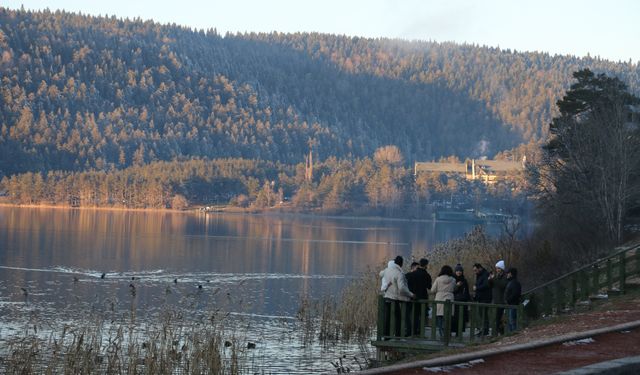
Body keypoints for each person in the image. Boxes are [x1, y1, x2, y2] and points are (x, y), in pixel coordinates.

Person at [381, 256, 415, 337]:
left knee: (387, 317)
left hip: (387, 297)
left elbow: (380, 274)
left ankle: (386, 335)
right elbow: (402, 288)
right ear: (401, 263)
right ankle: (397, 334)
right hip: (394, 298)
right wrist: (411, 294)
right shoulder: (399, 273)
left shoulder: (386, 270)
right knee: (398, 317)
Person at [406, 258, 432, 335]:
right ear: (426, 265)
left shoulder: (412, 274)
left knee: (415, 315)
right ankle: (420, 331)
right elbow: (429, 287)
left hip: (414, 297)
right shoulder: (426, 275)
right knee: (423, 314)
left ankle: (413, 331)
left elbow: (408, 282)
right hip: (423, 297)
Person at [430, 265, 455, 337]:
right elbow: (455, 288)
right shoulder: (453, 280)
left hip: (439, 300)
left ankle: (442, 334)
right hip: (449, 299)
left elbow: (432, 290)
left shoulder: (438, 279)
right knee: (447, 319)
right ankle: (447, 334)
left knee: (440, 318)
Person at [489, 260, 508, 334]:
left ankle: (500, 333)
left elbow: (503, 285)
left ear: (502, 269)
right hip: (496, 300)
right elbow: (491, 286)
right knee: (496, 318)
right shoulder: (496, 276)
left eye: (499, 268)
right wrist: (490, 280)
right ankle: (498, 332)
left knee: (500, 318)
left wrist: (494, 279)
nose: (497, 270)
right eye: (496, 268)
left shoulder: (505, 276)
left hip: (502, 300)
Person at [472, 263, 491, 335]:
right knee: (481, 314)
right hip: (480, 298)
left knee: (484, 314)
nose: (475, 272)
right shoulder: (479, 275)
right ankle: (483, 329)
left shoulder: (485, 274)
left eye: (475, 270)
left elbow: (486, 285)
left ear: (480, 268)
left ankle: (485, 330)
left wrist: (477, 288)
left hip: (485, 298)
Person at [452, 264, 471, 336]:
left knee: (461, 318)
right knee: (454, 318)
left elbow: (466, 291)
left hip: (462, 301)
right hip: (454, 301)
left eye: (460, 271)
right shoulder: (453, 279)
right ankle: (451, 331)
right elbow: (451, 290)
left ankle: (459, 333)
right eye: (457, 271)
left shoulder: (464, 280)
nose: (459, 272)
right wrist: (457, 286)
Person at [505, 267, 522, 332]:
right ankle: (511, 335)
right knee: (510, 322)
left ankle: (514, 335)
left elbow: (515, 294)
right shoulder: (511, 282)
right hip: (510, 305)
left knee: (512, 322)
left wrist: (508, 300)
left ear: (511, 274)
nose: (507, 274)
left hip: (513, 305)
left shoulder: (515, 283)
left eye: (508, 273)